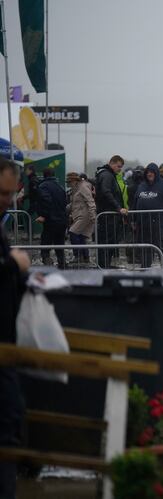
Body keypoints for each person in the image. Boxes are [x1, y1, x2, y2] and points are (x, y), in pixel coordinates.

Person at [0, 158, 29, 498]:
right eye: (2, 192)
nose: (8, 200)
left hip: (7, 341)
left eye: (11, 193)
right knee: (9, 418)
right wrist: (13, 263)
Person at [34, 170, 68, 268]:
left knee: (45, 244)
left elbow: (46, 201)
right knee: (59, 245)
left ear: (44, 176)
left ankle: (48, 266)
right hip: (62, 220)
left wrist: (43, 215)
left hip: (51, 220)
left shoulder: (43, 186)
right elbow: (64, 202)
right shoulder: (60, 187)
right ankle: (63, 265)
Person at [66, 172, 96, 264]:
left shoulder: (82, 187)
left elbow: (90, 201)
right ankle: (85, 257)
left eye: (69, 182)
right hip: (81, 214)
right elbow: (77, 202)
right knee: (81, 236)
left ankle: (78, 256)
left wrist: (92, 215)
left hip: (84, 215)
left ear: (74, 181)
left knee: (73, 232)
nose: (68, 184)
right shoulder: (77, 188)